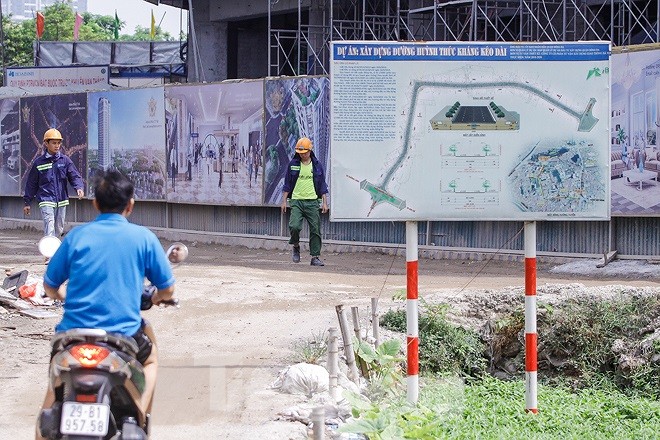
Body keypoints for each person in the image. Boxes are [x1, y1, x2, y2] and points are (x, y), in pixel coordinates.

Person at [35, 170, 175, 440]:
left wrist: (63, 296)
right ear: (130, 205)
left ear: (95, 204)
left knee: (55, 388)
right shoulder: (143, 238)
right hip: (123, 337)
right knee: (152, 357)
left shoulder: (76, 237)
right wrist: (158, 298)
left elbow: (50, 285)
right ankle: (138, 417)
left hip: (72, 336)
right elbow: (168, 288)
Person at [23, 128, 85, 248]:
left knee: (59, 227)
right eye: (54, 143)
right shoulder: (38, 163)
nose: (57, 146)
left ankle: (54, 251)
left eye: (59, 143)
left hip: (61, 200)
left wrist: (79, 187)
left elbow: (74, 175)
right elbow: (31, 183)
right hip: (46, 199)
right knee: (49, 223)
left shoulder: (65, 160)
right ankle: (50, 253)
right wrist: (27, 202)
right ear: (46, 143)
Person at [281, 137, 328, 266]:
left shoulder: (317, 165)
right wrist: (284, 201)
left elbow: (323, 185)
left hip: (312, 202)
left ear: (310, 151)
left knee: (315, 229)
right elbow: (287, 184)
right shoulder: (293, 165)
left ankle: (315, 257)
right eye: (300, 153)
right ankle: (296, 245)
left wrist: (325, 202)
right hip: (296, 200)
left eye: (305, 152)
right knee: (294, 226)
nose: (303, 155)